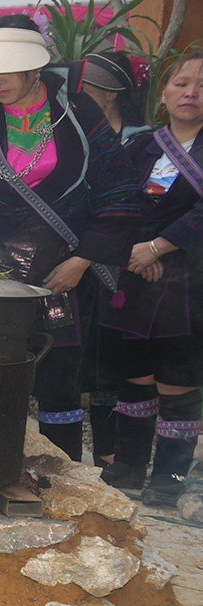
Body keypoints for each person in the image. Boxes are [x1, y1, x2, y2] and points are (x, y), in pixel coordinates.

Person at [0, 15, 137, 461]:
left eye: (8, 68)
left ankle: (60, 479)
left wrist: (82, 262)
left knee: (60, 378)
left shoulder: (77, 110)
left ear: (34, 67)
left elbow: (118, 187)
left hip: (66, 267)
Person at [97, 47, 203, 506]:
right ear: (164, 91)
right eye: (182, 83)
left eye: (202, 86)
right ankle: (129, 468)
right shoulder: (143, 146)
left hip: (191, 283)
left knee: (178, 382)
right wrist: (136, 250)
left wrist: (160, 246)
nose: (192, 93)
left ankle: (168, 483)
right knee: (135, 376)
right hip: (137, 276)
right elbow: (119, 201)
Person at [78, 52, 147, 142]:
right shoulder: (74, 131)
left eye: (84, 89)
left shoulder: (139, 141)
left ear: (110, 95)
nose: (78, 95)